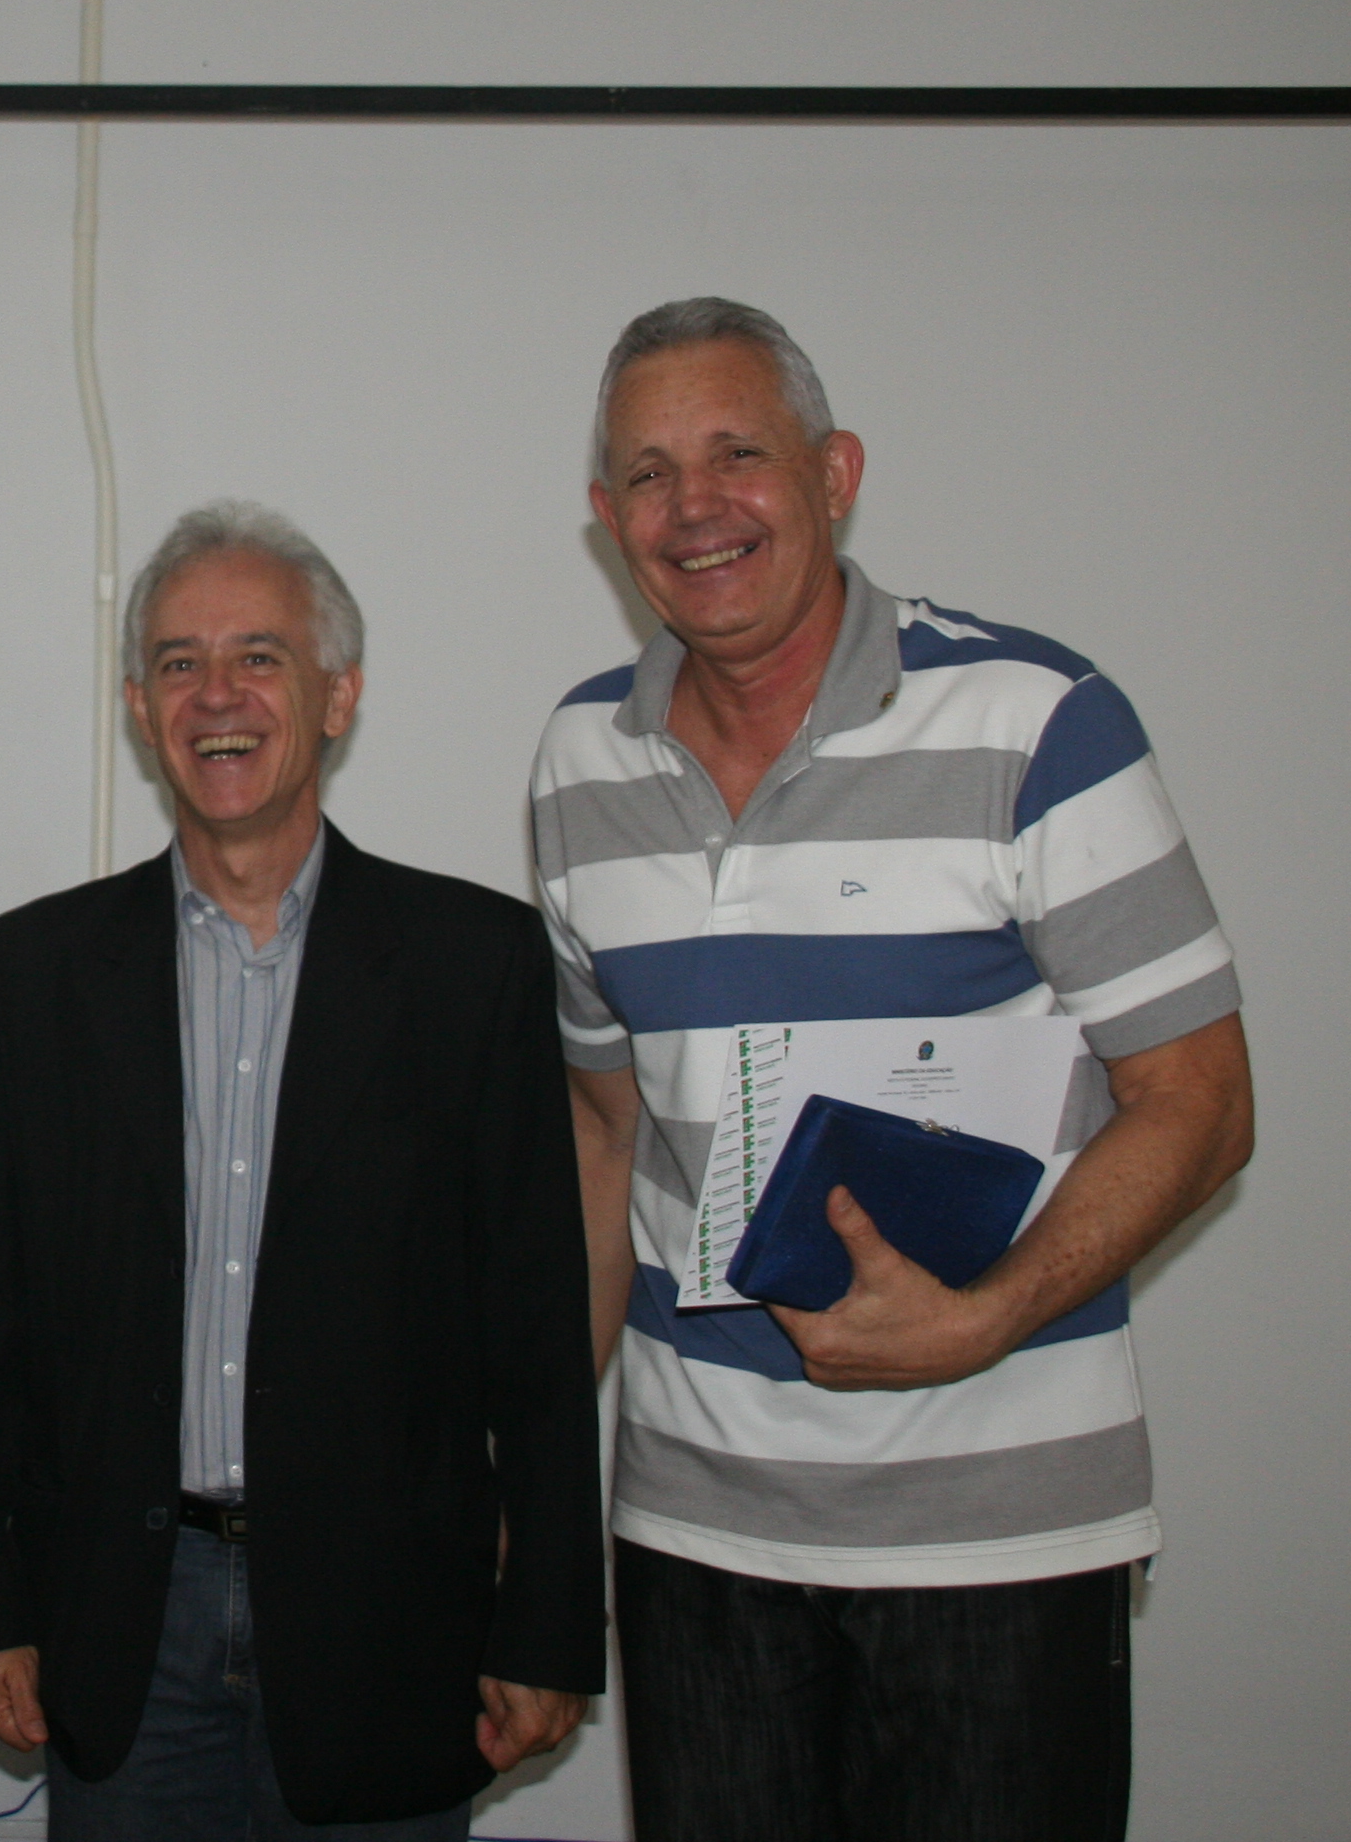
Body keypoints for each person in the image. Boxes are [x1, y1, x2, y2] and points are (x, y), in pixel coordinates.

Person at [536, 297, 1256, 1841]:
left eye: (737, 454)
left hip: (998, 1536)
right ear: (608, 518)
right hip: (696, 1539)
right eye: (649, 474)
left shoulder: (1038, 720)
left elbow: (1199, 1105)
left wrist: (988, 1314)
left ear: (834, 471)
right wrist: (530, 1483)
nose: (695, 506)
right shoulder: (580, 763)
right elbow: (606, 1140)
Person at [0, 503, 606, 1837]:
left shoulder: (472, 966)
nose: (217, 696)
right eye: (179, 664)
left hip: (388, 1626)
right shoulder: (38, 972)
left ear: (337, 695)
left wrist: (547, 1622)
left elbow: (535, 1327)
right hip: (123, 1624)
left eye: (260, 658)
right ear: (141, 709)